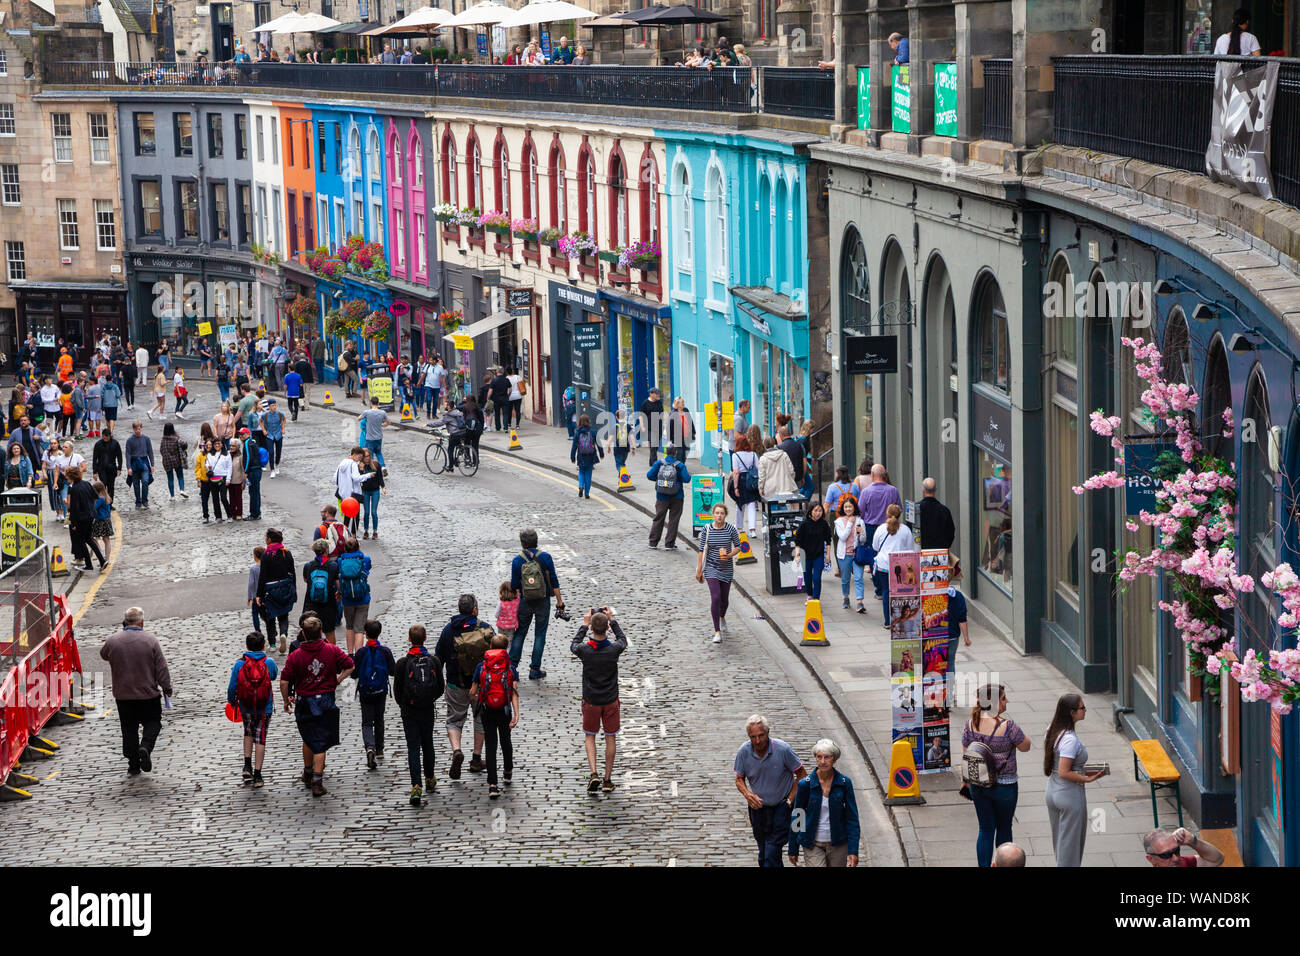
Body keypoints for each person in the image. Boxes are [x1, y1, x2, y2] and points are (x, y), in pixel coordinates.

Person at [279, 616, 355, 797]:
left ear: (303, 634)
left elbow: (284, 681)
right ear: (321, 632)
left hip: (304, 701)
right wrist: (338, 680)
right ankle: (317, 781)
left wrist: (285, 700)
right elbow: (350, 666)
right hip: (325, 701)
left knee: (308, 737)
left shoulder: (295, 655)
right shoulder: (331, 649)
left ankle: (307, 772)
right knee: (320, 742)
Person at [961, 683, 1031, 867]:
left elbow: (966, 755)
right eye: (1003, 698)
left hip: (979, 785)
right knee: (1004, 828)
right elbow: (1026, 746)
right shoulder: (1008, 727)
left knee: (985, 829)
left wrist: (966, 782)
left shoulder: (970, 724)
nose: (1007, 700)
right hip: (1005, 786)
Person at [99, 606, 173, 776]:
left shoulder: (113, 641)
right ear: (142, 622)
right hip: (148, 694)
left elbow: (104, 654)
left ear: (125, 621)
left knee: (128, 729)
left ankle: (133, 765)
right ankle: (145, 747)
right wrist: (167, 687)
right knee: (153, 722)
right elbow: (161, 668)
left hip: (123, 695)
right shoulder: (150, 641)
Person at [1044, 693, 1107, 867]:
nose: (1085, 710)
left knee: (1060, 843)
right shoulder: (1070, 740)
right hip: (1069, 793)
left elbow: (1059, 767)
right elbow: (1065, 771)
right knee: (1070, 848)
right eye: (1082, 707)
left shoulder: (1052, 729)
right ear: (1072, 712)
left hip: (1052, 790)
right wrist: (1087, 779)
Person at [735, 715, 807, 868]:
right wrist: (748, 795)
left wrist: (789, 801)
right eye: (753, 737)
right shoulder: (744, 751)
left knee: (771, 850)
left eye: (761, 735)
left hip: (782, 808)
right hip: (758, 809)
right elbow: (739, 778)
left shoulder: (783, 749)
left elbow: (802, 774)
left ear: (768, 733)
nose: (758, 741)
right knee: (764, 852)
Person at [435, 593, 492, 778]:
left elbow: (438, 657)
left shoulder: (449, 630)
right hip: (480, 685)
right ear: (474, 609)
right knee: (481, 720)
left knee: (454, 720)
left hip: (455, 684)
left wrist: (440, 681)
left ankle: (457, 750)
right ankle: (476, 759)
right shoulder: (485, 628)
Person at [571, 607, 627, 794]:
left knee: (590, 736)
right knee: (610, 737)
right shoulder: (613, 650)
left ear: (592, 629)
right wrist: (612, 620)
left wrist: (584, 624)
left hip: (591, 700)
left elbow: (574, 644)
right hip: (610, 699)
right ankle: (607, 779)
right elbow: (623, 640)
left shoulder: (585, 650)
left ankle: (593, 772)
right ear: (607, 629)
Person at [787, 739, 860, 867]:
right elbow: (798, 816)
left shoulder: (844, 783)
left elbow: (852, 817)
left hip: (838, 843)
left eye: (827, 757)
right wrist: (793, 848)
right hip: (812, 843)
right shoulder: (805, 785)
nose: (822, 761)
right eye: (819, 757)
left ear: (834, 759)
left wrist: (853, 850)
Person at [393, 624, 441, 805]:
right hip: (427, 709)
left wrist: (405, 705)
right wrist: (429, 699)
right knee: (428, 743)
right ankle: (430, 778)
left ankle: (416, 785)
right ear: (425, 638)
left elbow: (398, 691)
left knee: (413, 747)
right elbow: (440, 687)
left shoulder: (403, 663)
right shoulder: (433, 661)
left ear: (409, 639)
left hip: (409, 711)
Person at [510, 528, 566, 680]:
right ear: (537, 541)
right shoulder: (546, 557)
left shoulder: (517, 560)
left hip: (524, 601)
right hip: (543, 600)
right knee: (540, 634)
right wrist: (559, 602)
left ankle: (512, 668)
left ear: (522, 543)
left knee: (520, 633)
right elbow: (554, 581)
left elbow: (514, 585)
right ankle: (534, 669)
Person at [470, 633, 519, 799]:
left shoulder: (481, 667)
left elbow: (472, 691)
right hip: (504, 710)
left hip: (487, 710)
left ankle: (492, 784)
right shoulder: (510, 668)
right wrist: (516, 714)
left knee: (490, 745)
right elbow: (513, 693)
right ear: (506, 649)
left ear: (490, 647)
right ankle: (508, 770)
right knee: (506, 740)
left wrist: (477, 698)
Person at [227, 632, 278, 787]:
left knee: (248, 732)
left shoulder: (239, 664)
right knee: (260, 737)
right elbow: (274, 676)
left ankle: (247, 765)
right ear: (263, 646)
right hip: (265, 707)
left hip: (246, 705)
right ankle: (258, 774)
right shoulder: (268, 662)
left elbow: (232, 687)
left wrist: (232, 702)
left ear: (247, 646)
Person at [352, 619, 396, 770]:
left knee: (366, 722)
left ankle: (369, 747)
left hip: (365, 691)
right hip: (381, 690)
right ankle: (380, 749)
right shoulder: (385, 651)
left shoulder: (361, 652)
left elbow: (354, 672)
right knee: (379, 719)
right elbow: (392, 670)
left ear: (365, 634)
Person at [696, 502, 741, 644]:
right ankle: (717, 632)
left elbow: (739, 547)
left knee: (724, 600)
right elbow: (701, 549)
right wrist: (699, 569)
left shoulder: (731, 529)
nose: (719, 516)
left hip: (726, 568)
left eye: (722, 513)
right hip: (711, 567)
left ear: (725, 515)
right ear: (713, 514)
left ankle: (722, 617)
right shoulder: (707, 529)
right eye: (717, 513)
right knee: (715, 597)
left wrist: (729, 555)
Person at [858, 464, 902, 589]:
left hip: (871, 527)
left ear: (872, 475)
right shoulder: (893, 490)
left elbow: (860, 511)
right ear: (884, 475)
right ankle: (891, 584)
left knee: (874, 556)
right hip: (890, 526)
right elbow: (899, 509)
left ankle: (878, 587)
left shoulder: (866, 492)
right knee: (891, 554)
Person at [872, 504, 915, 625]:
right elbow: (910, 548)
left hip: (883, 566)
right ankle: (902, 620)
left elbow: (875, 547)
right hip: (900, 566)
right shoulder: (906, 530)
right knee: (900, 593)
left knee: (886, 591)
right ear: (899, 515)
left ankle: (887, 621)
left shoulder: (880, 529)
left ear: (886, 514)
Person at [256, 528, 296, 649]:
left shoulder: (266, 555)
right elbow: (292, 572)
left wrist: (259, 594)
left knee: (270, 617)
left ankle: (272, 643)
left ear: (269, 539)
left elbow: (262, 576)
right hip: (285, 587)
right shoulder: (286, 553)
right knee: (284, 615)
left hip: (271, 590)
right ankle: (283, 633)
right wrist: (294, 590)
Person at [647, 449, 690, 550]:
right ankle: (669, 544)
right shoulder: (680, 465)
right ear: (676, 453)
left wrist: (660, 480)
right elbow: (687, 479)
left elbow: (649, 475)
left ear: (666, 452)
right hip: (677, 496)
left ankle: (653, 542)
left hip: (661, 496)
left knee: (658, 518)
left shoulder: (659, 463)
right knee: (673, 520)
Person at [66, 466, 106, 571]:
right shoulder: (86, 484)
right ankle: (102, 560)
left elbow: (74, 508)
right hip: (90, 515)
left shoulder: (74, 488)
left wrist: (73, 523)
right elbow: (95, 496)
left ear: (71, 476)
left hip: (81, 518)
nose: (67, 478)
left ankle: (89, 564)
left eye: (67, 476)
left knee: (81, 541)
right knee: (89, 539)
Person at [302, 539, 341, 644]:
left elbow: (306, 580)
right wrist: (339, 593)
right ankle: (332, 655)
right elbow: (338, 584)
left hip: (311, 604)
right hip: (328, 604)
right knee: (330, 632)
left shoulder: (308, 566)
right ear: (326, 550)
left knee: (310, 632)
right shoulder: (333, 566)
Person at [793, 500, 833, 602]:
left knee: (816, 578)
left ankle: (816, 599)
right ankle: (810, 595)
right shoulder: (804, 524)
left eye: (820, 511)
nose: (818, 513)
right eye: (815, 510)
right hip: (805, 556)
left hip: (818, 556)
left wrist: (828, 555)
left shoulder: (824, 524)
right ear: (810, 511)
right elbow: (798, 541)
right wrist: (797, 555)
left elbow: (828, 540)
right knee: (807, 578)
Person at [338, 536, 373, 654]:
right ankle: (359, 655)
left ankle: (350, 654)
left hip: (347, 598)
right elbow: (368, 568)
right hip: (363, 598)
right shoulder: (365, 559)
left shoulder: (340, 561)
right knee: (359, 629)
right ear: (358, 547)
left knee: (349, 626)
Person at [834, 495, 868, 612]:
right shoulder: (838, 521)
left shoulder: (860, 521)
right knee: (845, 578)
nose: (848, 509)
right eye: (846, 507)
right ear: (843, 508)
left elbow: (863, 540)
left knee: (858, 578)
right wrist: (849, 523)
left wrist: (862, 533)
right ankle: (846, 597)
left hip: (857, 555)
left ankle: (860, 602)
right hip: (844, 555)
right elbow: (842, 537)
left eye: (850, 506)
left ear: (854, 508)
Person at [728, 434, 761, 541]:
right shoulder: (753, 454)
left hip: (741, 481)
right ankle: (752, 530)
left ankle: (739, 528)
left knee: (740, 504)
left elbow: (736, 472)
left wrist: (736, 487)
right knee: (751, 504)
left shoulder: (735, 456)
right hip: (751, 481)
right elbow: (758, 468)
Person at [1143, 827, 1225, 867]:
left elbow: (1217, 859)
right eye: (1166, 855)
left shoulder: (1184, 863)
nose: (1175, 858)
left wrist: (1193, 841)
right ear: (1150, 859)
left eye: (1176, 850)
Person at [916, 477, 956, 552]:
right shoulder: (944, 510)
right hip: (940, 553)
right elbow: (951, 532)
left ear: (923, 490)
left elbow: (910, 531)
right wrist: (944, 546)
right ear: (935, 490)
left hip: (920, 553)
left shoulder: (915, 510)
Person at [570, 412, 604, 499]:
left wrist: (572, 457)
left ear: (580, 422)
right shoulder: (593, 432)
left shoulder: (577, 432)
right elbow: (599, 444)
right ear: (588, 421)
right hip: (590, 456)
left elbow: (574, 446)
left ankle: (581, 485)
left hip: (581, 455)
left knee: (581, 472)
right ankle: (587, 493)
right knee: (588, 474)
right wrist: (601, 454)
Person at [124, 420, 154, 510]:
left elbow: (150, 452)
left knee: (145, 481)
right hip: (134, 462)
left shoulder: (146, 438)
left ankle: (145, 501)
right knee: (136, 484)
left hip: (144, 462)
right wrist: (128, 467)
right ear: (133, 429)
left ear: (141, 428)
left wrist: (152, 464)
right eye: (136, 429)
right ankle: (138, 501)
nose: (138, 431)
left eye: (139, 429)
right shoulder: (129, 440)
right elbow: (128, 454)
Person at [758, 434, 797, 499]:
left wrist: (761, 489)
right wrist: (790, 481)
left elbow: (762, 477)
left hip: (770, 489)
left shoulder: (763, 459)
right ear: (774, 444)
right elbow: (791, 471)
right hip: (785, 487)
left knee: (774, 507)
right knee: (785, 507)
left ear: (764, 446)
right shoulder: (784, 455)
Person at [359, 448, 386, 540]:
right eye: (365, 457)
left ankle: (375, 531)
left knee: (374, 512)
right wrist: (362, 469)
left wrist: (383, 487)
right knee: (366, 512)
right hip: (365, 491)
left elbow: (380, 478)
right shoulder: (360, 467)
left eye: (368, 456)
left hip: (375, 491)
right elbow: (359, 479)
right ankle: (366, 531)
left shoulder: (375, 465)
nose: (367, 458)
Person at [92, 424, 122, 502]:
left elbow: (119, 456)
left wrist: (119, 468)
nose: (105, 438)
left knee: (111, 486)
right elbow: (95, 458)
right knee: (103, 485)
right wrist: (95, 471)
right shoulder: (98, 444)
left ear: (110, 436)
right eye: (104, 437)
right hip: (101, 468)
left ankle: (110, 503)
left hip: (112, 468)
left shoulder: (115, 443)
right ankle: (103, 501)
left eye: (107, 437)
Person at [159, 422, 188, 501]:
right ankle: (182, 490)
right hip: (176, 460)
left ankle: (172, 496)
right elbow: (184, 444)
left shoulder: (163, 440)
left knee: (170, 479)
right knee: (180, 476)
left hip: (167, 462)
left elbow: (161, 450)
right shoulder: (176, 438)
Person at [948, 559, 970, 653]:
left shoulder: (929, 594)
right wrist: (966, 638)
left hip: (932, 637)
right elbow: (962, 619)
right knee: (951, 663)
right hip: (952, 635)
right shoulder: (958, 596)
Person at [360, 396, 388, 469]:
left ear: (371, 403)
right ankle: (383, 467)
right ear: (378, 403)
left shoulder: (367, 412)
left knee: (370, 454)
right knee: (379, 452)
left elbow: (359, 418)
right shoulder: (383, 412)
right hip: (379, 437)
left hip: (369, 437)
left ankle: (372, 469)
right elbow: (389, 422)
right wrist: (383, 425)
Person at [665, 396, 695, 461]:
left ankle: (681, 465)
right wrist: (669, 438)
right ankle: (679, 467)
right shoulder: (673, 413)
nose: (683, 404)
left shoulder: (686, 410)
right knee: (680, 454)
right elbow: (669, 426)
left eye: (683, 402)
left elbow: (690, 421)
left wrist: (693, 431)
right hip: (677, 437)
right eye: (682, 402)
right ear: (677, 404)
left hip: (687, 436)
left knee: (687, 450)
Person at [91, 479, 113, 559]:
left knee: (92, 537)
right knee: (106, 540)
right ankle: (107, 557)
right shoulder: (106, 497)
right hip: (107, 520)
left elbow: (93, 508)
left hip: (100, 520)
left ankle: (99, 552)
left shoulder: (100, 499)